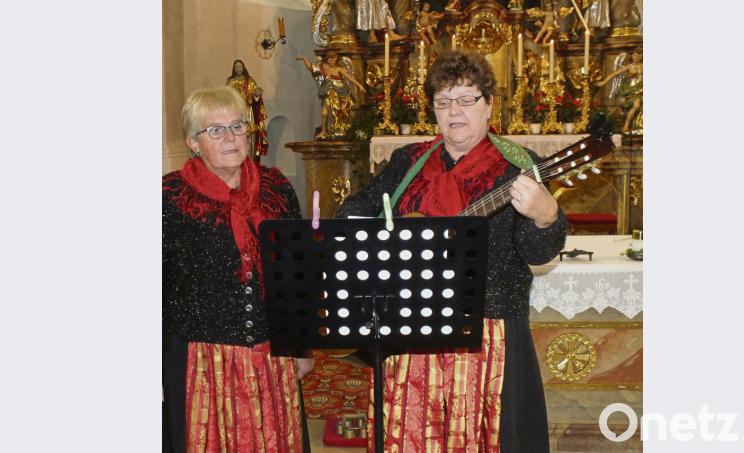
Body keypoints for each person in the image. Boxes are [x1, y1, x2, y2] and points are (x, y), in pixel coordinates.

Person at [336, 50, 566, 453]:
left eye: (466, 99)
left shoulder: (517, 164)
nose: (454, 112)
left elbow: (535, 252)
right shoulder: (408, 161)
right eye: (443, 102)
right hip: (411, 331)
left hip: (487, 333)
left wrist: (546, 216)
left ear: (489, 105)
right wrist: (385, 246)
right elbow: (356, 209)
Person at [163, 86, 314, 453]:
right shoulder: (169, 198)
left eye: (236, 126)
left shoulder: (276, 188)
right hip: (200, 359)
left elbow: (298, 272)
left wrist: (303, 347)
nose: (230, 137)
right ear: (193, 143)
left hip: (271, 355)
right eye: (215, 130)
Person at [297, 53, 366, 139]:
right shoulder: (323, 67)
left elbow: (350, 78)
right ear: (327, 59)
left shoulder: (339, 69)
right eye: (331, 59)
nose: (333, 61)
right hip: (328, 92)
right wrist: (304, 58)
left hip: (340, 93)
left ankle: (338, 130)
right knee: (324, 112)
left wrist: (360, 86)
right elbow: (311, 68)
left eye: (335, 59)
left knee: (338, 113)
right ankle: (324, 131)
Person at [225, 59, 269, 157]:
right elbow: (227, 97)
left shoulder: (249, 81)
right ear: (234, 69)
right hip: (235, 112)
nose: (238, 69)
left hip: (248, 112)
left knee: (250, 133)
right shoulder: (230, 82)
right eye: (236, 67)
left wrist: (256, 94)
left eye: (240, 66)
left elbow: (255, 96)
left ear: (243, 67)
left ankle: (251, 157)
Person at [595, 47, 642, 132]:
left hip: (640, 89)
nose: (636, 57)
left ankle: (629, 125)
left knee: (637, 106)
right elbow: (614, 74)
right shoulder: (629, 66)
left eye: (638, 55)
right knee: (633, 106)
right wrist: (603, 82)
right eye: (634, 55)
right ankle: (626, 126)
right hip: (631, 90)